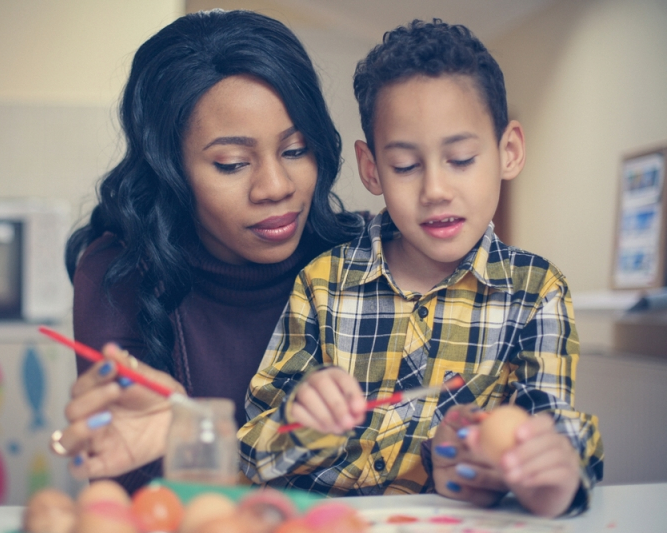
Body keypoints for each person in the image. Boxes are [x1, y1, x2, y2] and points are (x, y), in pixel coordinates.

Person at [238, 19, 603, 518]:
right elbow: (254, 448)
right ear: (372, 170)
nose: (434, 189)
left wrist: (550, 473)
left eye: (460, 158)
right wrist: (303, 421)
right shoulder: (323, 284)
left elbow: (552, 427)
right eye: (406, 167)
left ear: (508, 151)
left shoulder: (536, 293)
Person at [50, 9, 364, 494]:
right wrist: (168, 440)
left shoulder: (363, 259)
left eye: (296, 150)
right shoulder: (118, 273)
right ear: (169, 169)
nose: (276, 187)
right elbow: (128, 492)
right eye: (232, 164)